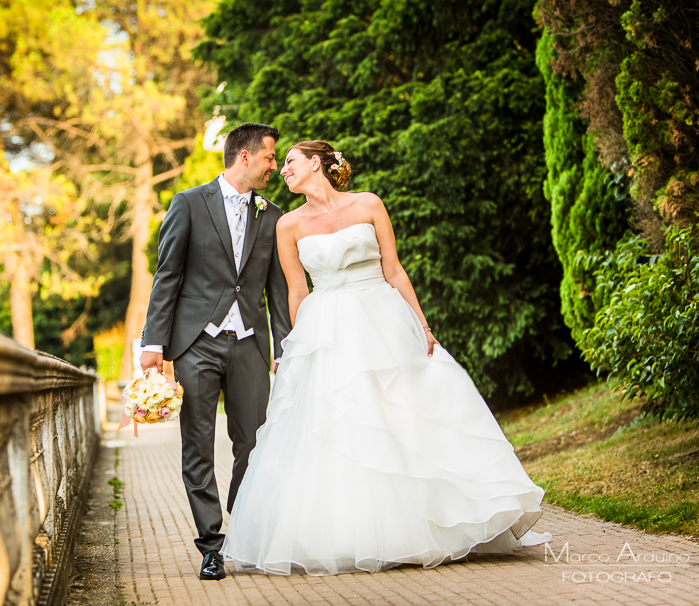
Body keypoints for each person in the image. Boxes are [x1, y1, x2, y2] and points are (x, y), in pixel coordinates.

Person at [220, 140, 550, 575]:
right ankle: (358, 534)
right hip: (327, 329)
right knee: (344, 424)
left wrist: (423, 325)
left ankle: (436, 523)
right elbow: (296, 292)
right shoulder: (288, 225)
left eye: (290, 162)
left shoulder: (368, 204)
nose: (282, 170)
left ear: (315, 163)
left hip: (382, 318)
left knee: (405, 415)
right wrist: (296, 349)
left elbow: (394, 269)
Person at [140, 123, 291, 581]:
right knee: (198, 447)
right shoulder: (188, 203)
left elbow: (277, 290)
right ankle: (211, 544)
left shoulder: (273, 214)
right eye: (268, 158)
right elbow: (168, 275)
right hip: (195, 344)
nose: (274, 167)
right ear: (244, 157)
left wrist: (284, 349)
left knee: (253, 443)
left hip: (249, 344)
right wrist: (153, 345)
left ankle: (242, 527)